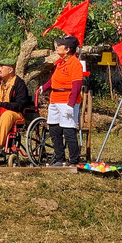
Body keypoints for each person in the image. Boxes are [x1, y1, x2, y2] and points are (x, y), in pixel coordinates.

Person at [39, 34, 84, 166]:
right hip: (55, 99)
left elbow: (76, 85)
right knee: (54, 128)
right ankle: (59, 157)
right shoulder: (61, 62)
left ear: (68, 49)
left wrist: (71, 104)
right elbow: (54, 79)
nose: (57, 47)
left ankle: (74, 160)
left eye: (60, 45)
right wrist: (44, 87)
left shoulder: (74, 63)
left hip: (66, 100)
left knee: (68, 129)